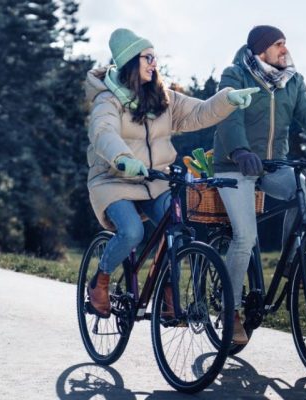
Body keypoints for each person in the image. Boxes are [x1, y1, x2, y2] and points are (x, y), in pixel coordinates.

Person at [86, 28, 258, 317]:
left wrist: (228, 100)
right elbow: (103, 133)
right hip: (114, 180)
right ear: (130, 61)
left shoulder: (162, 98)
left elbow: (199, 112)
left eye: (155, 57)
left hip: (155, 181)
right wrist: (123, 159)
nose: (154, 63)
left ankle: (168, 292)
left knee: (177, 231)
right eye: (148, 57)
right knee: (132, 232)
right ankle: (100, 280)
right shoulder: (107, 101)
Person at [213, 25, 306, 345]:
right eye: (278, 44)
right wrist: (239, 151)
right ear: (261, 49)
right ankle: (230, 310)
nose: (284, 49)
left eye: (285, 43)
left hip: (272, 166)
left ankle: (294, 260)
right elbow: (228, 118)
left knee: (304, 189)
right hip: (234, 166)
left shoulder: (292, 82)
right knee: (245, 236)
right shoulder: (235, 75)